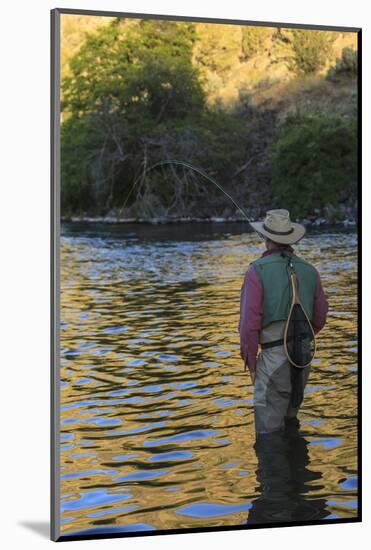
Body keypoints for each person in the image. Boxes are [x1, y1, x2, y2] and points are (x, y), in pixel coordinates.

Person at [238, 209, 328, 434]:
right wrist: (301, 340)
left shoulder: (256, 271)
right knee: (291, 425)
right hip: (302, 356)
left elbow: (249, 325)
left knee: (268, 437)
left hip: (273, 359)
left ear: (266, 238)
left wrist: (251, 362)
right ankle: (299, 468)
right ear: (289, 238)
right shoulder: (310, 271)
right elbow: (320, 317)